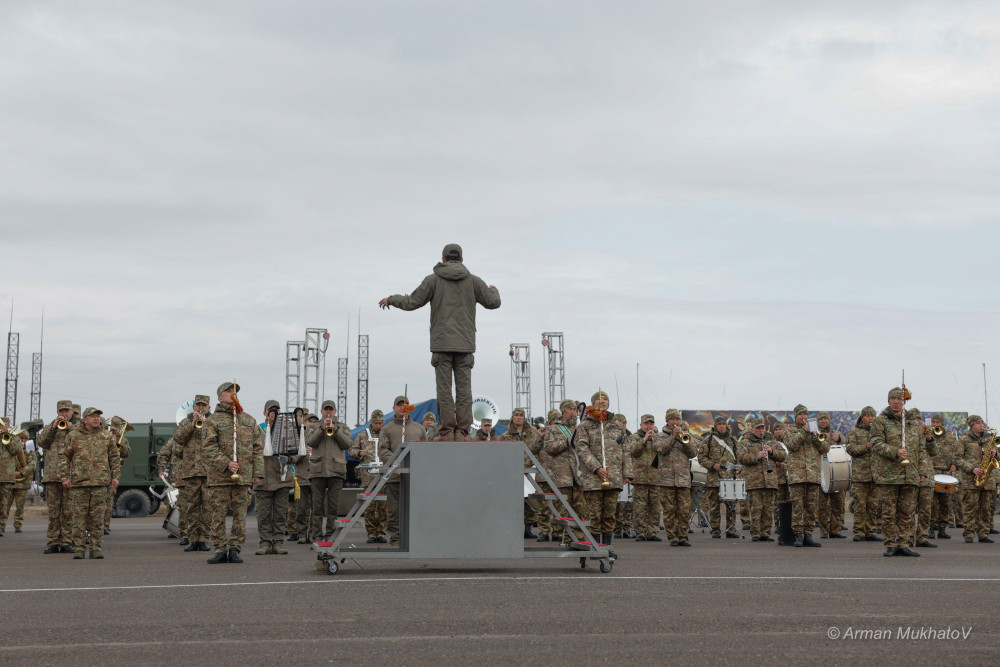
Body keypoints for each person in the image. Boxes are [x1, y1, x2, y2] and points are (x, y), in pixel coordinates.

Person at [378, 243, 501, 439]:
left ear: (443, 259)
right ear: (461, 260)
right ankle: (462, 432)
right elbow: (494, 303)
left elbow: (412, 302)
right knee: (464, 392)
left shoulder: (433, 280)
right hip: (465, 345)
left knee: (444, 391)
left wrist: (391, 299)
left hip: (441, 344)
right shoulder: (474, 282)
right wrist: (493, 290)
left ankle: (446, 430)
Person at [203, 382, 262, 564]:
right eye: (228, 391)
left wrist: (257, 472)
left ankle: (235, 548)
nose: (232, 394)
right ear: (220, 397)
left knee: (240, 516)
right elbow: (208, 447)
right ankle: (220, 549)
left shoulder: (248, 420)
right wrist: (226, 463)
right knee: (218, 516)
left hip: (242, 477)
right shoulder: (212, 420)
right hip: (220, 477)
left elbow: (257, 448)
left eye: (234, 391)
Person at [869, 387, 925, 557]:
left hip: (910, 475)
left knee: (907, 512)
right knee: (889, 512)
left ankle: (904, 543)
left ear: (904, 402)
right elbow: (876, 443)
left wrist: (922, 471)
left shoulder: (913, 424)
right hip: (889, 475)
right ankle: (891, 544)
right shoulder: (880, 421)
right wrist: (895, 451)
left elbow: (921, 450)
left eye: (899, 399)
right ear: (888, 401)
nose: (896, 401)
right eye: (892, 399)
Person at [572, 391, 632, 546]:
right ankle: (594, 546)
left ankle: (606, 547)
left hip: (613, 477)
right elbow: (582, 449)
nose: (602, 401)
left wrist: (627, 474)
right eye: (599, 399)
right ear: (593, 403)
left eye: (605, 399)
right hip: (593, 478)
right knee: (594, 515)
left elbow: (626, 450)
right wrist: (597, 468)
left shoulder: (617, 425)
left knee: (610, 515)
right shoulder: (585, 425)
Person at [59, 407, 121, 558]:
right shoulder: (73, 435)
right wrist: (65, 477)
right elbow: (64, 457)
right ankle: (79, 548)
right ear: (84, 419)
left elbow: (114, 457)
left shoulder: (106, 436)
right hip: (79, 484)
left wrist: (115, 476)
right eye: (92, 416)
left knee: (97, 518)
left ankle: (96, 548)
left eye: (98, 416)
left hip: (100, 483)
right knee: (78, 518)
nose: (96, 418)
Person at [377, 396, 426, 548]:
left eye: (404, 405)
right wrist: (396, 462)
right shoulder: (387, 429)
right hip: (394, 476)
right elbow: (382, 450)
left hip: (414, 476)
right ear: (393, 408)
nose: (401, 408)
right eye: (398, 405)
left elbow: (425, 450)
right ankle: (396, 539)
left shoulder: (419, 428)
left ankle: (415, 538)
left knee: (415, 508)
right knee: (394, 510)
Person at [254, 401, 299, 555]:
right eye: (271, 410)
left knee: (280, 513)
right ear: (265, 412)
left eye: (277, 410)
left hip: (282, 478)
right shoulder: (257, 429)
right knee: (264, 514)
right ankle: (265, 543)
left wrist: (290, 459)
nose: (274, 413)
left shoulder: (288, 430)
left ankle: (278, 542)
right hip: (263, 478)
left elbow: (298, 452)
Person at [307, 400, 353, 543]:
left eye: (331, 410)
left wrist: (335, 430)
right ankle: (316, 536)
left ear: (335, 411)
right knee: (317, 506)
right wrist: (322, 428)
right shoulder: (314, 426)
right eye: (326, 410)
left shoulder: (343, 427)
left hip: (336, 470)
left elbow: (347, 444)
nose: (328, 412)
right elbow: (310, 442)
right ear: (321, 411)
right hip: (318, 470)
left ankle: (330, 537)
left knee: (333, 507)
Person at [784, 404, 829, 547]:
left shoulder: (815, 431)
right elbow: (791, 445)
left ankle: (808, 535)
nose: (803, 417)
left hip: (813, 475)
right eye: (800, 415)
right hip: (797, 475)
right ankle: (797, 535)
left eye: (805, 414)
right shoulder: (789, 430)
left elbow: (825, 448)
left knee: (811, 507)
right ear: (795, 416)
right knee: (797, 507)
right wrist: (804, 432)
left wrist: (815, 435)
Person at [172, 395, 213, 551]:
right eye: (198, 405)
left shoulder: (213, 422)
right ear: (194, 407)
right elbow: (179, 439)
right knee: (191, 507)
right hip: (190, 471)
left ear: (209, 408)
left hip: (208, 471)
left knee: (207, 507)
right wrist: (192, 424)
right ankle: (192, 539)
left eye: (204, 405)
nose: (201, 408)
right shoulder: (184, 422)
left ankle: (204, 539)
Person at [736, 416, 785, 542]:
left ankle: (766, 533)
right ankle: (756, 533)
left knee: (768, 509)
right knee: (756, 508)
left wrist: (772, 451)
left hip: (770, 480)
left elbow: (783, 455)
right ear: (752, 429)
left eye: (762, 428)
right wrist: (756, 456)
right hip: (754, 481)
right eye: (758, 428)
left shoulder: (772, 442)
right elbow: (741, 457)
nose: (761, 430)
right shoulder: (745, 443)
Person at [541, 399, 583, 545]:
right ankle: (561, 536)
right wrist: (567, 442)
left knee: (580, 508)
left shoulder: (582, 428)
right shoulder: (553, 429)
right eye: (570, 409)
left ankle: (578, 537)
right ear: (563, 411)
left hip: (579, 476)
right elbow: (549, 448)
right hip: (562, 475)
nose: (573, 412)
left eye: (575, 409)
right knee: (562, 509)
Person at [37, 399, 76, 553]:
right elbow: (42, 443)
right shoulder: (49, 428)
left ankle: (66, 542)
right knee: (54, 512)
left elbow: (81, 443)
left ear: (72, 412)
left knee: (68, 511)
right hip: (52, 475)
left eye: (67, 411)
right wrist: (54, 427)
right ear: (57, 412)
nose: (64, 414)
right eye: (61, 411)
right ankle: (53, 542)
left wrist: (71, 429)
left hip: (70, 476)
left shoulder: (78, 429)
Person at [655, 416, 699, 546]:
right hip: (666, 479)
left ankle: (683, 536)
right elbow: (660, 449)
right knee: (669, 510)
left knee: (684, 510)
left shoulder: (686, 435)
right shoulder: (660, 435)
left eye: (677, 419)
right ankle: (672, 537)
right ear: (667, 421)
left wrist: (684, 440)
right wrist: (673, 437)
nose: (675, 422)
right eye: (672, 419)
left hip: (683, 479)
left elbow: (693, 453)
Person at [499, 408, 539, 539]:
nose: (519, 417)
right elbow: (502, 454)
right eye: (516, 415)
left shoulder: (533, 432)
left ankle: (528, 529)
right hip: (513, 470)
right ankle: (514, 528)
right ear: (512, 417)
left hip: (531, 469)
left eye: (521, 415)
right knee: (514, 499)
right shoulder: (505, 436)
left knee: (530, 499)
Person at [955, 415, 997, 544]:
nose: (981, 425)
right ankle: (969, 534)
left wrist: (996, 454)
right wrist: (971, 468)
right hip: (970, 480)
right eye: (978, 423)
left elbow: (998, 457)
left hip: (988, 479)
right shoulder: (964, 440)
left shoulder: (989, 438)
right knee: (970, 508)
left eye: (982, 422)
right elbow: (957, 459)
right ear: (972, 425)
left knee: (986, 509)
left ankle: (983, 534)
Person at [350, 410, 388, 543]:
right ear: (372, 422)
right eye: (376, 422)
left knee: (383, 506)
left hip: (383, 475)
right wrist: (360, 452)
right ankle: (371, 533)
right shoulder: (362, 435)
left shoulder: (386, 435)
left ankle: (381, 532)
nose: (378, 425)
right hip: (368, 476)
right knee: (369, 506)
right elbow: (351, 451)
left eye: (380, 422)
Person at [697, 416, 739, 538]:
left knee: (731, 505)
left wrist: (737, 469)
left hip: (730, 477)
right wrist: (711, 465)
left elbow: (739, 456)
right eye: (719, 424)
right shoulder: (708, 440)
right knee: (714, 505)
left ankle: (730, 530)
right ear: (715, 426)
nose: (721, 426)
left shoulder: (732, 440)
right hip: (714, 478)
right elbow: (701, 457)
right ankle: (715, 530)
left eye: (723, 424)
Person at [846, 407, 880, 542]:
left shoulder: (879, 433)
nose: (871, 418)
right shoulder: (855, 432)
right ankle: (859, 532)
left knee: (873, 505)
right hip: (860, 475)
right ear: (862, 417)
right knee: (860, 505)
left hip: (875, 475)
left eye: (873, 416)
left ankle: (870, 531)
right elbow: (850, 448)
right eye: (868, 416)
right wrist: (864, 447)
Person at [629, 414, 662, 542]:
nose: (649, 426)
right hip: (640, 477)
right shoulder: (634, 437)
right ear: (641, 425)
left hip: (655, 477)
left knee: (654, 506)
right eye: (646, 424)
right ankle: (640, 532)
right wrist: (644, 441)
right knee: (639, 506)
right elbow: (633, 451)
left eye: (651, 424)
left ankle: (652, 531)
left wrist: (655, 440)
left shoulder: (658, 437)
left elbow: (663, 450)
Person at [927, 413, 959, 539]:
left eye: (937, 423)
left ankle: (942, 528)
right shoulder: (928, 435)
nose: (935, 425)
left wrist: (954, 464)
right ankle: (930, 528)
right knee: (932, 502)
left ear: (942, 424)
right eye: (933, 422)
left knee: (946, 503)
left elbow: (957, 453)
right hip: (932, 471)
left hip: (946, 473)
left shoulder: (950, 436)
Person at [909, 408, 938, 549]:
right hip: (911, 475)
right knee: (907, 510)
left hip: (927, 476)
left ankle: (922, 537)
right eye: (915, 419)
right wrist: (918, 433)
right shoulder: (906, 432)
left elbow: (934, 452)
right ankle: (907, 538)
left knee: (926, 510)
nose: (918, 422)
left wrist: (929, 438)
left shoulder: (927, 432)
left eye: (919, 419)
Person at [815, 411, 846, 538]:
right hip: (821, 471)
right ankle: (823, 530)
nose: (823, 421)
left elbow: (845, 442)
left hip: (836, 471)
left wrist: (838, 439)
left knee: (838, 503)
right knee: (822, 504)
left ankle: (836, 530)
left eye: (825, 419)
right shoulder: (814, 433)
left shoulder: (835, 432)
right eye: (821, 419)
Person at [104, 416, 132, 535]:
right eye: (113, 428)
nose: (114, 430)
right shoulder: (103, 435)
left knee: (109, 500)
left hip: (112, 472)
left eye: (116, 428)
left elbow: (127, 453)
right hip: (101, 470)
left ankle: (105, 525)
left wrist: (117, 442)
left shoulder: (123, 439)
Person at [4, 431, 35, 534]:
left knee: (20, 506)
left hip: (23, 482)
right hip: (10, 481)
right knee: (5, 505)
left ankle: (18, 524)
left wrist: (21, 472)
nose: (24, 441)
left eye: (25, 439)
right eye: (22, 438)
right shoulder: (11, 447)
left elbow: (33, 464)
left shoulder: (30, 448)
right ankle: (1, 525)